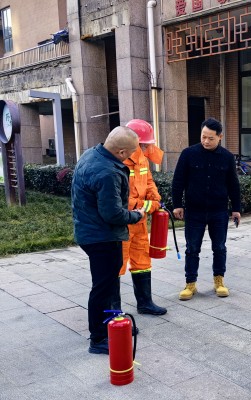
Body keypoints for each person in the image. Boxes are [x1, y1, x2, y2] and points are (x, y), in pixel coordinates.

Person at [72, 127, 145, 354]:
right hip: (102, 237)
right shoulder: (107, 172)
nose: (132, 156)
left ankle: (114, 324)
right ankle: (98, 338)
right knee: (103, 288)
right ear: (121, 152)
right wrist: (137, 215)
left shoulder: (92, 154)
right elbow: (112, 214)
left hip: (89, 231)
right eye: (131, 153)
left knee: (109, 283)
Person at [172, 118, 241, 300]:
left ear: (220, 137)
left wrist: (236, 208)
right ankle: (190, 284)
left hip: (218, 211)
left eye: (210, 138)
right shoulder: (188, 154)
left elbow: (233, 185)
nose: (206, 141)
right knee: (192, 248)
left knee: (219, 247)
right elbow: (178, 181)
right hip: (194, 211)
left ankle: (219, 281)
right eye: (203, 137)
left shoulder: (227, 157)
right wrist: (177, 204)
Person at [116, 119, 167, 315]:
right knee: (117, 265)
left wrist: (155, 197)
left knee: (142, 260)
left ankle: (145, 303)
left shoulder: (142, 159)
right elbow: (122, 199)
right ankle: (113, 310)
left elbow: (149, 181)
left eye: (147, 145)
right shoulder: (119, 162)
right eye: (143, 145)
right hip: (123, 223)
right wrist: (148, 205)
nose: (146, 148)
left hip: (140, 222)